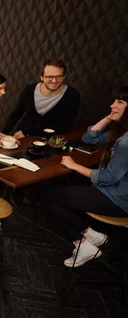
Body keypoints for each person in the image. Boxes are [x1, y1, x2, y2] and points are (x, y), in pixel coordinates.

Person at [42, 87, 128, 267]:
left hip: (118, 199)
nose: (112, 105)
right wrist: (108, 117)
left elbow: (107, 178)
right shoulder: (121, 131)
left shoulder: (126, 140)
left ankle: (83, 244)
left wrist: (74, 166)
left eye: (120, 102)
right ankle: (90, 234)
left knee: (49, 197)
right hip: (114, 192)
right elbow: (89, 138)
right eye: (114, 101)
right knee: (58, 192)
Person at [3, 58, 80, 139]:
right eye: (49, 77)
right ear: (42, 77)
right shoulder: (29, 90)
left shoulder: (72, 95)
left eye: (59, 76)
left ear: (64, 77)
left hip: (50, 139)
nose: (54, 81)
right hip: (22, 136)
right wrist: (2, 134)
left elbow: (64, 126)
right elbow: (16, 113)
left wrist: (29, 131)